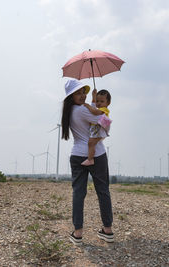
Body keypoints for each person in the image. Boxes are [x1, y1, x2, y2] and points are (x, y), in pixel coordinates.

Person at [61, 79, 114, 245]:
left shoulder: (69, 112)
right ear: (71, 96)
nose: (82, 95)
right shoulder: (82, 110)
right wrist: (101, 108)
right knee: (103, 191)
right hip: (96, 154)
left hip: (76, 154)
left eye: (83, 92)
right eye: (78, 93)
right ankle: (107, 230)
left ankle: (78, 233)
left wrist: (92, 99)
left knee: (78, 193)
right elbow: (103, 118)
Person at [81, 89, 112, 166]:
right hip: (96, 129)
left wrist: (88, 106)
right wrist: (93, 97)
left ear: (108, 103)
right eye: (97, 101)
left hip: (99, 129)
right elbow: (94, 108)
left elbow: (94, 112)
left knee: (91, 143)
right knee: (91, 143)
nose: (99, 103)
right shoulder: (100, 108)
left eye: (102, 102)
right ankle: (91, 158)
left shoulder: (104, 109)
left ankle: (90, 159)